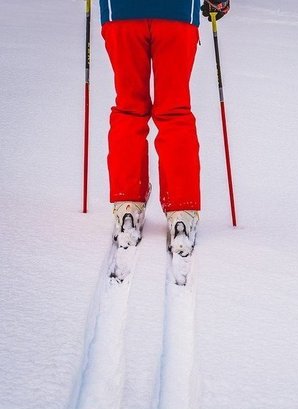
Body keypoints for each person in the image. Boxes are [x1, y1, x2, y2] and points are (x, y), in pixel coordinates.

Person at [98, 0, 230, 284]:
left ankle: (128, 207)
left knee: (129, 108)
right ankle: (181, 211)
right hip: (177, 12)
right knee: (174, 110)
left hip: (121, 12)